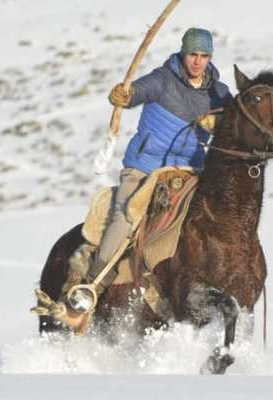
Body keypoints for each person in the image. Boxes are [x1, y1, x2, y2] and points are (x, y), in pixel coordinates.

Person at [69, 28, 232, 312]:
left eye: (204, 56)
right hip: (145, 168)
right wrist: (124, 94)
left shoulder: (219, 94)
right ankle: (94, 285)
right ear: (183, 53)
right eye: (193, 54)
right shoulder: (163, 79)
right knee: (126, 215)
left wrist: (220, 123)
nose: (197, 61)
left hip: (189, 172)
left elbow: (235, 124)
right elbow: (134, 93)